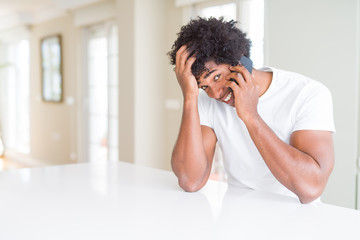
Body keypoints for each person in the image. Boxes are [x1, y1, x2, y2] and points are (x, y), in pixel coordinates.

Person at [168, 17, 335, 204]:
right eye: (203, 86)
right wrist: (190, 98)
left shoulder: (308, 94)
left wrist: (251, 116)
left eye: (216, 77)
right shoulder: (207, 102)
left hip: (297, 218)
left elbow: (311, 188)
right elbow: (191, 181)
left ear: (239, 60)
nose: (215, 93)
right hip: (238, 215)